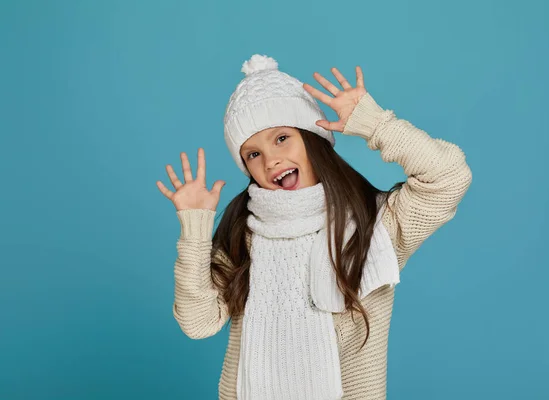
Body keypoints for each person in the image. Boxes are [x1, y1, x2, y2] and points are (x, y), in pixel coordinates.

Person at [156, 54, 473, 400]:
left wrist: (376, 125)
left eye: (281, 138)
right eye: (253, 154)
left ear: (312, 138)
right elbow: (198, 322)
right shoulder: (241, 233)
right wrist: (195, 230)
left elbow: (449, 177)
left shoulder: (376, 224)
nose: (271, 160)